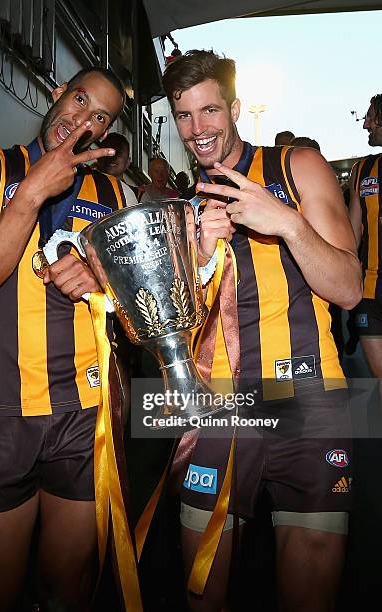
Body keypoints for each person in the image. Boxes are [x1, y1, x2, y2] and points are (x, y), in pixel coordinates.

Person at [162, 49, 361, 612]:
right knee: (202, 590)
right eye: (184, 116)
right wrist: (198, 254)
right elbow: (171, 328)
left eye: (209, 111)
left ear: (235, 109)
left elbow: (347, 286)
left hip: (311, 400)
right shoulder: (180, 205)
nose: (198, 130)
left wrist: (288, 225)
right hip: (221, 411)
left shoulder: (294, 167)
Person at [0, 67, 133, 611]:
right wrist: (31, 193)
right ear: (57, 94)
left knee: (67, 587)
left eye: (99, 116)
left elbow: (135, 313)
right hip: (5, 412)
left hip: (84, 414)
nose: (83, 120)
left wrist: (103, 280)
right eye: (79, 100)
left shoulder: (111, 191)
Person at [349, 94, 382, 404]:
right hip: (370, 292)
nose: (366, 124)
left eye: (371, 117)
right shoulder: (362, 169)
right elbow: (352, 229)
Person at [94, 131, 138, 204]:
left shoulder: (133, 195)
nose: (112, 156)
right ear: (98, 156)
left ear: (128, 162)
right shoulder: (80, 183)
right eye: (108, 151)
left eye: (118, 152)